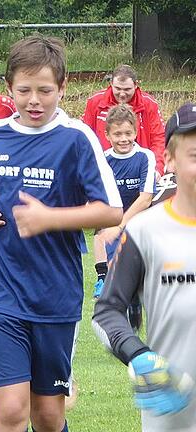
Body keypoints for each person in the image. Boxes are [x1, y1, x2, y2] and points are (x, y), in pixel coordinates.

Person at [0, 35, 122, 432]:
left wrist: (48, 218)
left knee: (49, 416)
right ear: (8, 89)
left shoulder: (77, 139)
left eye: (45, 90)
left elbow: (111, 211)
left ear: (63, 87)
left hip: (54, 294)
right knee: (11, 412)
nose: (34, 100)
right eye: (24, 90)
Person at [92, 102, 196, 432]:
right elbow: (107, 312)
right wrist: (138, 355)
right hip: (172, 417)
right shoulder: (144, 231)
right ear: (169, 160)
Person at [91, 104, 156, 305]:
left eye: (128, 133)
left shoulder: (145, 156)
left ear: (136, 132)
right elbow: (98, 196)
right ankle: (104, 279)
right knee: (103, 237)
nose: (123, 139)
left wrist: (120, 225)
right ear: (107, 135)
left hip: (139, 218)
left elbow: (145, 198)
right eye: (117, 134)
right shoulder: (104, 159)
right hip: (113, 218)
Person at [82, 64, 166, 174]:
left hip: (141, 168)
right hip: (104, 168)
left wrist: (157, 169)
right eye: (117, 89)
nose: (122, 94)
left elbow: (159, 139)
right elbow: (85, 138)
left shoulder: (149, 104)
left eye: (127, 89)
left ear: (136, 85)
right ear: (111, 83)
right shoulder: (95, 102)